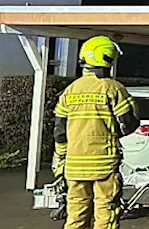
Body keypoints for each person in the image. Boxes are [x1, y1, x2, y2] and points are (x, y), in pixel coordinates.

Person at [52, 36, 139, 229]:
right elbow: (129, 122)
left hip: (74, 168)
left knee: (75, 216)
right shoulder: (112, 89)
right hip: (104, 166)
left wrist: (61, 159)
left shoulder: (69, 91)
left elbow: (59, 131)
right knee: (106, 215)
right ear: (108, 58)